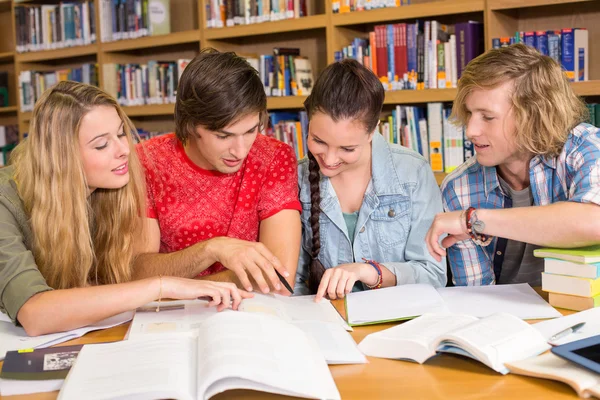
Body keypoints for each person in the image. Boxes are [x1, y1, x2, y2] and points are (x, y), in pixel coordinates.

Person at [0, 81, 250, 337]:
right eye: (101, 145)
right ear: (61, 157)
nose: (124, 151)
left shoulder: (111, 186)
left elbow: (108, 281)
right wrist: (160, 287)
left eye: (121, 134)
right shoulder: (4, 201)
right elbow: (35, 314)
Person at [425, 43, 600, 286]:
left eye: (488, 117)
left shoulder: (586, 148)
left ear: (534, 116)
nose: (471, 131)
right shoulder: (459, 187)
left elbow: (594, 222)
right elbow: (477, 296)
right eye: (470, 114)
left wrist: (473, 220)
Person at [134, 49, 302, 295]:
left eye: (251, 131)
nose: (241, 150)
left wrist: (175, 284)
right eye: (224, 136)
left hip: (247, 317)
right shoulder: (147, 161)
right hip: (169, 319)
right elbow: (137, 272)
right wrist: (211, 249)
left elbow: (279, 279)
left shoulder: (274, 157)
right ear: (190, 124)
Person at [295, 59, 447, 300]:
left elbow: (433, 274)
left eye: (347, 148)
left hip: (400, 321)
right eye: (319, 141)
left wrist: (369, 272)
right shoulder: (297, 178)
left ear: (374, 129)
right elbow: (294, 283)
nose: (330, 159)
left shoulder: (412, 173)